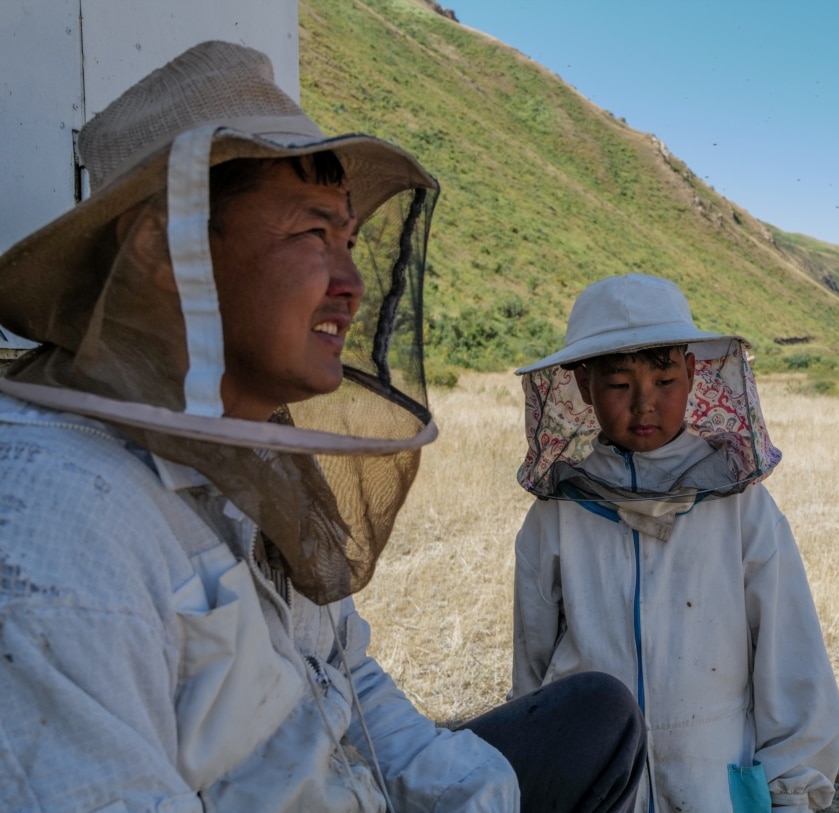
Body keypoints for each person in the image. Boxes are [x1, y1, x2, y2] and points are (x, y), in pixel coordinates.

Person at [0, 41, 645, 812]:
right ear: (164, 251)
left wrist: (479, 797)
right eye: (313, 235)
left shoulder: (248, 448)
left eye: (349, 240)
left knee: (596, 720)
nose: (353, 285)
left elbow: (344, 677)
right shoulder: (53, 521)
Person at [511, 274, 839, 812]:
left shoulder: (741, 506)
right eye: (619, 384)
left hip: (714, 784)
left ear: (691, 374)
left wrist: (792, 793)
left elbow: (792, 660)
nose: (645, 405)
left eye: (664, 380)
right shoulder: (556, 515)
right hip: (594, 790)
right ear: (582, 384)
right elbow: (532, 676)